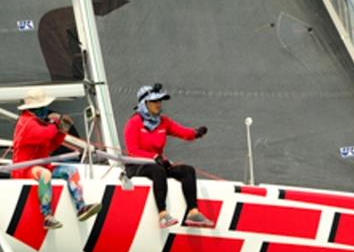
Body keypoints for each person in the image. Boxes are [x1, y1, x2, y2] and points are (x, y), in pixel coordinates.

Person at [123, 83, 213, 228]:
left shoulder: (164, 122)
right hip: (137, 165)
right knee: (158, 171)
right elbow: (133, 151)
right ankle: (163, 215)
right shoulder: (134, 123)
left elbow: (183, 132)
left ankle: (193, 213)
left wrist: (196, 133)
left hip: (157, 163)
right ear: (144, 103)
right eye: (154, 101)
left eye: (160, 101)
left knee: (187, 170)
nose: (158, 104)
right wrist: (154, 158)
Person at [12, 88, 101, 229]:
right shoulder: (25, 122)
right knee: (45, 174)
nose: (45, 111)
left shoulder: (38, 122)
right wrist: (55, 124)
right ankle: (47, 216)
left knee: (71, 170)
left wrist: (62, 130)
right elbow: (44, 135)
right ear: (34, 109)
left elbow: (50, 146)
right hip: (24, 169)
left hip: (40, 165)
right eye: (42, 108)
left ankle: (81, 207)